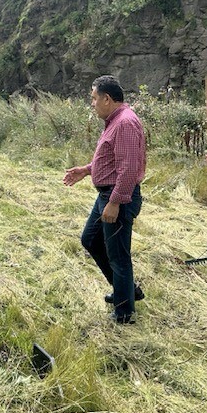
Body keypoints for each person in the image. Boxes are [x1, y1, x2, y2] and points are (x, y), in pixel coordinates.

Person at [63, 75, 146, 324]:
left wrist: (115, 202)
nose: (92, 103)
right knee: (90, 239)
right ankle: (127, 291)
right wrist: (87, 170)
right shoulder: (115, 121)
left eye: (94, 98)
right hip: (107, 194)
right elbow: (111, 158)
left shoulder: (125, 123)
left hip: (117, 196)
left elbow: (129, 168)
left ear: (107, 99)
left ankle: (124, 314)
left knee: (119, 256)